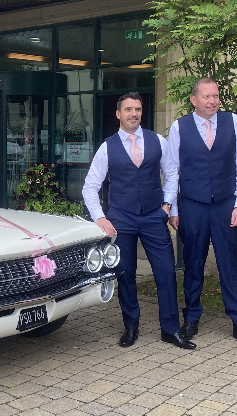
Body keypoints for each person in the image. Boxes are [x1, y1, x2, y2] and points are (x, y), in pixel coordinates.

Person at [83, 92, 195, 350]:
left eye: (138, 109)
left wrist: (167, 206)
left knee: (166, 272)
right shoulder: (107, 147)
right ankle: (130, 326)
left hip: (153, 216)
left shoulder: (158, 141)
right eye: (128, 109)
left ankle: (171, 329)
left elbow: (171, 173)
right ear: (118, 114)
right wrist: (100, 217)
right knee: (126, 274)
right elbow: (90, 187)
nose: (134, 114)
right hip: (121, 217)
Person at [168, 78, 237, 348]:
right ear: (194, 100)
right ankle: (191, 319)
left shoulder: (232, 122)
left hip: (225, 204)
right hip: (192, 205)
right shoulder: (179, 127)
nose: (212, 101)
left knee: (229, 264)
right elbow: (173, 170)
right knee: (193, 264)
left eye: (216, 96)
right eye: (207, 97)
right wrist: (173, 208)